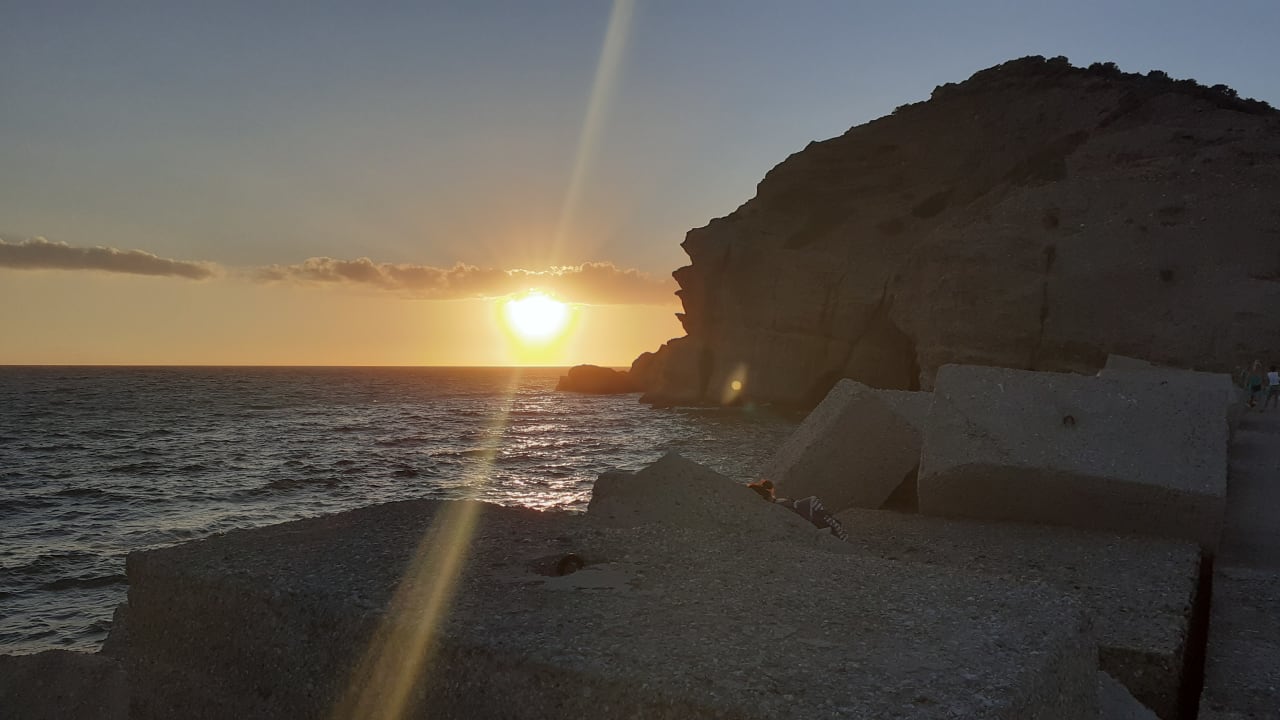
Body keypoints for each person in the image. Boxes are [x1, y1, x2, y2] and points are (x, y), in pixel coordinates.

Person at [747, 479, 849, 541]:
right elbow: (792, 511)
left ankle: (836, 529)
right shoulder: (775, 506)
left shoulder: (775, 504)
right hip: (802, 515)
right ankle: (838, 532)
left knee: (823, 514)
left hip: (803, 514)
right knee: (815, 504)